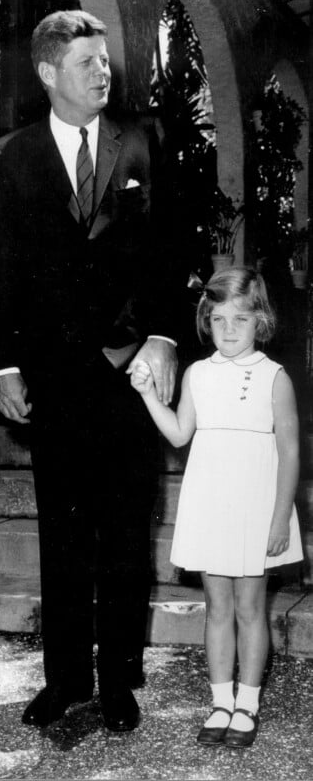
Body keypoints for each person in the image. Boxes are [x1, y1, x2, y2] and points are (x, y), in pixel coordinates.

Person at [0, 10, 188, 731]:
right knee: (64, 531)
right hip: (56, 374)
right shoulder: (11, 155)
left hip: (132, 370)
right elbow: (0, 269)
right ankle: (65, 677)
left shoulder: (147, 141)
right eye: (86, 64)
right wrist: (4, 362)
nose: (103, 73)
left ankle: (119, 680)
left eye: (104, 62)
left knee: (126, 530)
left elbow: (171, 251)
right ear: (48, 74)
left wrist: (163, 337)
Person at [130, 267, 303, 748]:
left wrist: (278, 517)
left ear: (260, 321)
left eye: (241, 319)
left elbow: (289, 452)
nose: (230, 329)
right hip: (210, 502)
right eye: (220, 318)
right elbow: (180, 433)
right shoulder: (197, 373)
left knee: (251, 609)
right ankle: (220, 700)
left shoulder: (274, 377)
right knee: (217, 608)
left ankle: (248, 702)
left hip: (255, 505)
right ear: (207, 320)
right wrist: (147, 395)